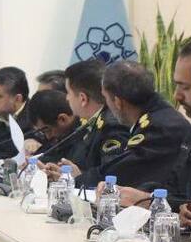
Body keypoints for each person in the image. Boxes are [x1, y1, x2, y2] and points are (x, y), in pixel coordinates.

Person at [106, 40, 191, 223]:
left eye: (185, 87)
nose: (176, 95)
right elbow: (176, 186)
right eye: (176, 85)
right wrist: (146, 196)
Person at [91, 60, 190, 190]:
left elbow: (122, 172)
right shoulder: (159, 116)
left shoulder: (159, 128)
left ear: (118, 102)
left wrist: (77, 178)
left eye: (106, 98)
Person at [42, 58, 127, 186]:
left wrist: (79, 178)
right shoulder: (89, 121)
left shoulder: (113, 126)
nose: (66, 98)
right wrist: (60, 171)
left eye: (68, 93)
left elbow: (112, 176)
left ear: (83, 99)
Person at [24, 89, 81, 163]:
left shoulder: (82, 138)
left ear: (62, 119)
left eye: (47, 131)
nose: (48, 136)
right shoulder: (61, 133)